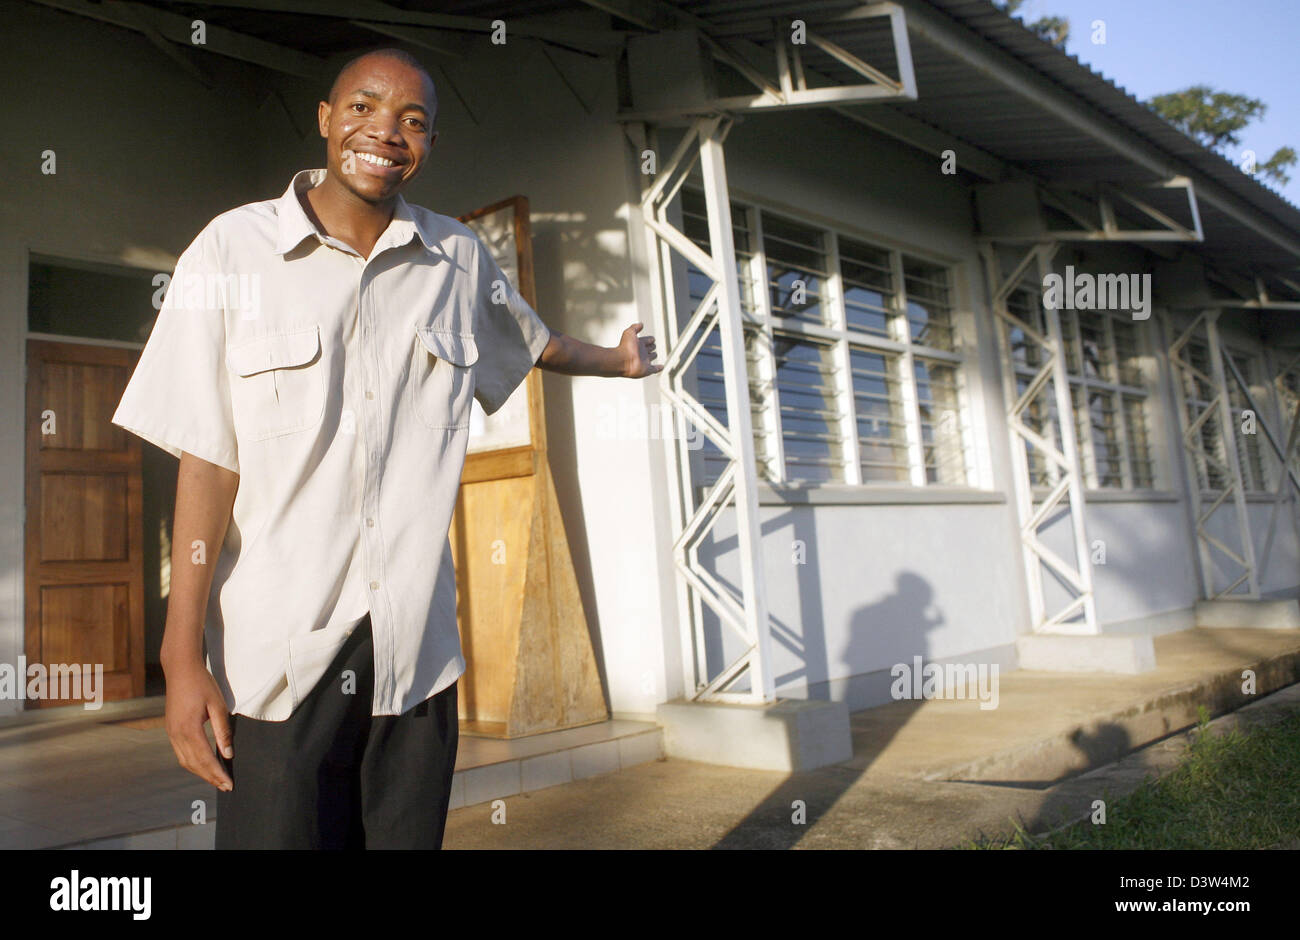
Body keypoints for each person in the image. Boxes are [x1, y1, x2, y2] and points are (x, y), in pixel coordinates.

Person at [111, 47, 661, 849]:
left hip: (416, 656)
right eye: (364, 108)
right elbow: (207, 457)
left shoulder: (457, 259)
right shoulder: (232, 251)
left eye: (413, 121)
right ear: (327, 120)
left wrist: (618, 362)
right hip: (283, 660)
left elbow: (533, 343)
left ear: (429, 143)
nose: (385, 132)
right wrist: (180, 653)